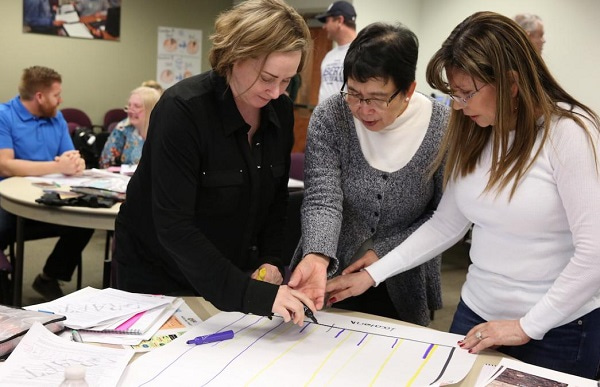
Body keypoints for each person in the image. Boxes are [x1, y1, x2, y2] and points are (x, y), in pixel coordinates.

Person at [324, 12, 600, 378]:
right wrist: (373, 274)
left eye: (466, 93)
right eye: (454, 93)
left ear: (511, 83)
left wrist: (527, 326)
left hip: (558, 326)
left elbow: (594, 251)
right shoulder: (476, 129)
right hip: (477, 312)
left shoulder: (569, 133)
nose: (456, 104)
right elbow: (447, 224)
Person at [113, 0, 315, 325]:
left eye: (287, 81)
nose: (277, 92)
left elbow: (275, 199)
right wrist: (254, 296)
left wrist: (271, 259)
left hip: (226, 274)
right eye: (268, 78)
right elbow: (174, 227)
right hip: (158, 275)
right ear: (235, 56)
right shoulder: (182, 110)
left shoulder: (278, 111)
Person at [288, 22, 448, 326]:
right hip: (328, 274)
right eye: (354, 94)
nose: (363, 109)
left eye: (376, 98)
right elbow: (323, 198)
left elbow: (444, 216)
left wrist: (384, 252)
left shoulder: (443, 126)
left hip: (406, 274)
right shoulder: (332, 114)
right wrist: (318, 255)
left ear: (408, 90)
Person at [0, 66, 94, 301]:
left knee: (85, 220)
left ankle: (49, 277)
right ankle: (3, 279)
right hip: (10, 202)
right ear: (39, 97)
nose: (60, 100)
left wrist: (75, 163)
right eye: (56, 95)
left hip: (50, 198)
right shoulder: (5, 115)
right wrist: (57, 166)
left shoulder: (56, 117)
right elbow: (6, 166)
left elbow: (69, 156)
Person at [99, 86, 160, 168]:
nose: (130, 110)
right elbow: (105, 163)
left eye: (137, 106)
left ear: (151, 110)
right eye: (129, 105)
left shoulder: (163, 130)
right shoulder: (123, 128)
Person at [315, 1, 357, 104]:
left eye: (327, 21)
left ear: (339, 20)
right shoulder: (329, 56)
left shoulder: (363, 53)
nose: (324, 27)